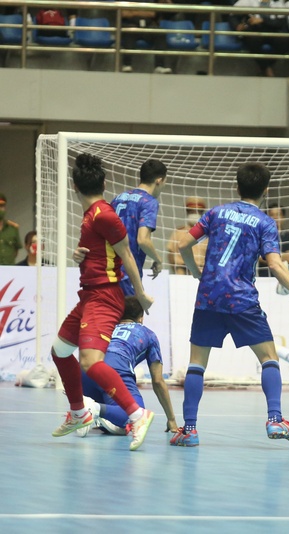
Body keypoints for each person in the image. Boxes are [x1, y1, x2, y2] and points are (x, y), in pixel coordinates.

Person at [171, 162, 289, 447]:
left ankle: (189, 430)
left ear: (237, 186)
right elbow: (276, 265)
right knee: (269, 358)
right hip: (242, 300)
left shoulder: (215, 213)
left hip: (209, 297)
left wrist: (195, 270)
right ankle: (275, 420)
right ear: (265, 190)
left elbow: (182, 246)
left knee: (196, 364)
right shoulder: (265, 222)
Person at [50, 153, 155, 451]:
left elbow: (127, 255)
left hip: (105, 296)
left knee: (91, 362)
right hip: (88, 294)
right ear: (105, 182)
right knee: (60, 351)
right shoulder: (90, 215)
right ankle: (79, 412)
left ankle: (137, 414)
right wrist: (80, 256)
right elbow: (103, 252)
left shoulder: (104, 215)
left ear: (74, 186)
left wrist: (141, 293)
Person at [80, 296, 178, 436]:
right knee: (136, 416)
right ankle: (93, 409)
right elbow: (157, 381)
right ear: (141, 318)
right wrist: (171, 419)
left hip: (84, 370)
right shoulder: (148, 334)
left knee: (117, 419)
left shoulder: (106, 327)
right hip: (114, 366)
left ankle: (94, 414)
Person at [110, 159, 167, 296]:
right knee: (131, 316)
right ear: (159, 180)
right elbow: (143, 240)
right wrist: (158, 260)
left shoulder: (117, 198)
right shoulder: (149, 202)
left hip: (107, 271)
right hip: (127, 273)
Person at [231, 0, 289, 77]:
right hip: (254, 31)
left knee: (285, 41)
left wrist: (262, 21)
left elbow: (281, 22)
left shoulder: (278, 3)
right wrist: (237, 25)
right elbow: (232, 15)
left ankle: (264, 65)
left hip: (272, 30)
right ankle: (266, 68)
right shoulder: (246, 1)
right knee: (252, 39)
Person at [120, 0, 171, 73]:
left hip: (149, 26)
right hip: (131, 25)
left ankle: (159, 66)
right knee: (129, 32)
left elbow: (152, 13)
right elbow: (124, 13)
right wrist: (144, 11)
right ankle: (126, 64)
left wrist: (133, 11)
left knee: (160, 33)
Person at [167, 197, 209, 275]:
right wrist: (175, 269)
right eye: (192, 211)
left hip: (201, 269)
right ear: (187, 212)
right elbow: (171, 253)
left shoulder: (207, 234)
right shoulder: (178, 232)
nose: (195, 214)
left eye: (197, 212)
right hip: (181, 270)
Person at [257, 202, 289, 277]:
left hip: (285, 277)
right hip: (265, 277)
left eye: (278, 215)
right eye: (272, 215)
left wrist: (269, 258)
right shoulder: (260, 236)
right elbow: (259, 257)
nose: (276, 217)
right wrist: (282, 256)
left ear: (283, 217)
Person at [0, 193, 21, 265]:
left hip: (8, 271)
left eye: (1, 206)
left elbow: (15, 252)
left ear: (5, 208)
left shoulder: (13, 229)